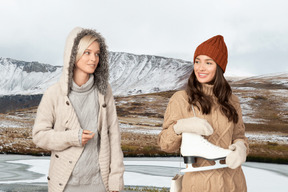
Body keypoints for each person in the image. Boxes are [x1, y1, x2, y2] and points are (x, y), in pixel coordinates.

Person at [33, 27, 124, 192]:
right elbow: (39, 136)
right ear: (73, 54)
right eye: (87, 53)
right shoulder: (54, 93)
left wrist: (116, 179)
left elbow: (114, 136)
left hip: (100, 184)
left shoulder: (104, 91)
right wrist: (72, 137)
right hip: (65, 185)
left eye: (97, 54)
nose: (93, 59)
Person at [158, 35, 249, 192]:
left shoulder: (232, 101)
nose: (200, 68)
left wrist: (241, 147)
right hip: (197, 185)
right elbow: (165, 144)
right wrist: (179, 127)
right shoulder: (181, 99)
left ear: (219, 67)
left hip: (233, 184)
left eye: (208, 63)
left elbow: (239, 137)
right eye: (197, 61)